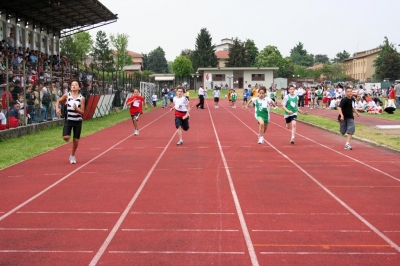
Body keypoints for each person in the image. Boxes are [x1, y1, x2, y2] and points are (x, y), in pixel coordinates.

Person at [56, 80, 86, 164]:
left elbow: (83, 112)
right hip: (69, 120)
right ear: (70, 87)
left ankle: (72, 155)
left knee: (76, 140)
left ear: (79, 87)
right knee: (66, 137)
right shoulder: (67, 95)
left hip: (78, 121)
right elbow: (58, 101)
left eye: (76, 85)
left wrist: (77, 110)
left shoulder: (82, 98)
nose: (74, 86)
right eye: (72, 85)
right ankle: (67, 136)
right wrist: (57, 109)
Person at [337, 86, 360, 150]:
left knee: (351, 129)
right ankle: (341, 126)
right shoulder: (344, 100)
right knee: (342, 132)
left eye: (350, 91)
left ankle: (347, 144)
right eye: (348, 92)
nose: (349, 93)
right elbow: (339, 107)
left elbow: (352, 107)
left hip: (350, 117)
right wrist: (341, 115)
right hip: (343, 117)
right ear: (345, 93)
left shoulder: (352, 99)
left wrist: (356, 112)